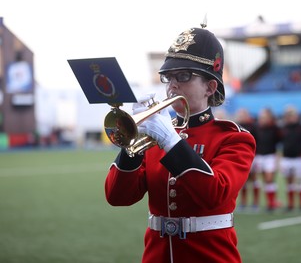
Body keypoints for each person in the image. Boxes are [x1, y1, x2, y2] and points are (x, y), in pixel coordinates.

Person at [104, 26, 256, 263]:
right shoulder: (156, 136)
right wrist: (131, 142)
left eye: (183, 76)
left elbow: (215, 194)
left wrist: (170, 140)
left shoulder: (234, 138)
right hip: (157, 255)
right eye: (168, 77)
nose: (172, 85)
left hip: (211, 255)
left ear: (210, 87)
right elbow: (117, 196)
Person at [279, 105, 301, 211]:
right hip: (286, 158)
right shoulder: (283, 128)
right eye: (288, 115)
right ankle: (291, 204)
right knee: (289, 182)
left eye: (292, 114)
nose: (290, 117)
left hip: (299, 158)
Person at [250, 108, 281, 212]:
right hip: (259, 156)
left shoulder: (274, 128)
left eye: (265, 117)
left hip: (270, 156)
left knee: (269, 179)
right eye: (261, 117)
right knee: (261, 179)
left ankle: (272, 202)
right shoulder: (256, 128)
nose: (263, 119)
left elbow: (279, 140)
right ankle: (264, 202)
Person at [234, 108, 258, 211]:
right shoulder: (235, 126)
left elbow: (258, 141)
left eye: (243, 114)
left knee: (254, 180)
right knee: (242, 180)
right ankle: (243, 202)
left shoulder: (254, 127)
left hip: (253, 156)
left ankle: (255, 202)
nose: (241, 116)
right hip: (240, 157)